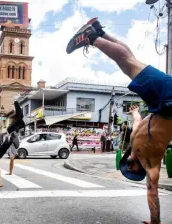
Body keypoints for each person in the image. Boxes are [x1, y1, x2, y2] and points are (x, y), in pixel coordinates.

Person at [66, 17, 172, 224]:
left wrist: (133, 112)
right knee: (129, 64)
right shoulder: (151, 164)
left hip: (165, 104)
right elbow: (152, 192)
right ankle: (92, 37)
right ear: (135, 165)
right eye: (130, 170)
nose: (129, 167)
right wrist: (156, 221)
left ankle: (100, 33)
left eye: (127, 167)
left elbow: (138, 119)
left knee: (129, 60)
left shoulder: (136, 140)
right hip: (168, 100)